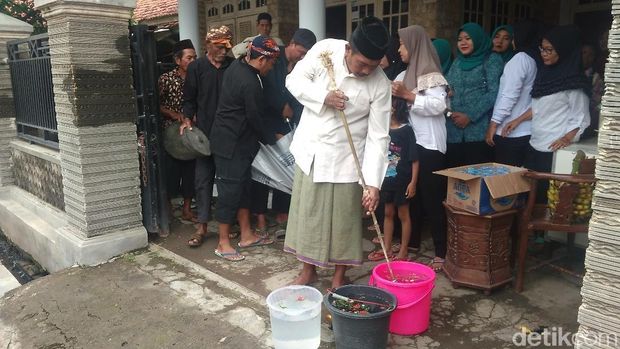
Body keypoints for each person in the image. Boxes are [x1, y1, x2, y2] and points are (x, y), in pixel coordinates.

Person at [284, 16, 391, 288]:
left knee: (345, 224)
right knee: (309, 216)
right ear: (348, 50)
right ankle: (308, 270)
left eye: (373, 66)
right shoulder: (326, 51)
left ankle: (339, 277)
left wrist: (373, 184)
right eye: (361, 64)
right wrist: (324, 97)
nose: (366, 71)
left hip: (347, 159)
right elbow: (293, 80)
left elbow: (379, 136)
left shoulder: (380, 84)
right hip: (313, 151)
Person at [209, 36, 280, 261]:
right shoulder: (249, 82)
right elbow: (254, 117)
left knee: (243, 188)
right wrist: (272, 138)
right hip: (230, 143)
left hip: (240, 142)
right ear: (261, 60)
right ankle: (223, 242)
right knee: (229, 192)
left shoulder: (237, 67)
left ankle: (247, 234)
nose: (272, 66)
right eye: (271, 62)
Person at [392, 24, 450, 271]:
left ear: (415, 45)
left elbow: (439, 106)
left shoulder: (433, 77)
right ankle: (411, 244)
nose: (399, 49)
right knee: (409, 196)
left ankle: (441, 251)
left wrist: (409, 96)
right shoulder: (401, 77)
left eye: (403, 44)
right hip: (409, 145)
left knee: (431, 198)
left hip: (430, 145)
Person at [251, 28, 317, 238]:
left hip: (287, 124)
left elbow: (299, 96)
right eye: (302, 51)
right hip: (266, 122)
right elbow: (265, 89)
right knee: (263, 171)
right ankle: (259, 213)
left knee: (285, 166)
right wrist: (281, 107)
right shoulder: (273, 57)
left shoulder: (300, 66)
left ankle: (282, 210)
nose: (303, 56)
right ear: (293, 43)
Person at [519, 25, 590, 200]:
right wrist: (517, 120)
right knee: (527, 197)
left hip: (553, 151)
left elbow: (580, 118)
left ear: (563, 50)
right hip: (534, 143)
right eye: (542, 49)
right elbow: (539, 108)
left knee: (545, 199)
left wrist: (566, 138)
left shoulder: (574, 84)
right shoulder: (545, 75)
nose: (544, 53)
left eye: (549, 50)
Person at [181, 26, 235, 247]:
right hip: (204, 135)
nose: (224, 51)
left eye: (226, 47)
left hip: (228, 134)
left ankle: (226, 225)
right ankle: (202, 226)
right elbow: (189, 99)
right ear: (208, 45)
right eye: (220, 47)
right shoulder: (196, 67)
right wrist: (186, 119)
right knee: (203, 181)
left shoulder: (233, 66)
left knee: (227, 182)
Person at [445, 22, 504, 168]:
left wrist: (470, 116)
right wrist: (450, 111)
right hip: (454, 132)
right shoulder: (457, 62)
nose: (463, 43)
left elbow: (494, 93)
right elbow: (448, 88)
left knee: (477, 179)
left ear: (477, 39)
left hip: (478, 132)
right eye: (460, 40)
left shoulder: (492, 60)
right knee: (456, 182)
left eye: (467, 38)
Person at [367, 97, 418, 262]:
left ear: (396, 108)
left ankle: (403, 251)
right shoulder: (382, 130)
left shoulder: (406, 131)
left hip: (402, 181)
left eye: (389, 105)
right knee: (387, 213)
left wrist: (413, 183)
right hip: (386, 181)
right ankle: (387, 248)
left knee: (403, 214)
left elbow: (415, 159)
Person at [486, 20, 541, 166]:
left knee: (505, 182)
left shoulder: (520, 59)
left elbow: (509, 95)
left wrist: (493, 124)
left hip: (509, 131)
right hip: (526, 129)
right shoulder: (536, 59)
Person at [158, 39, 198, 223]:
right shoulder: (166, 79)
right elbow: (157, 105)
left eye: (195, 57)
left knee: (191, 171)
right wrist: (174, 115)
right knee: (171, 172)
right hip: (171, 133)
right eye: (189, 58)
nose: (193, 61)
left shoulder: (198, 78)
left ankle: (187, 209)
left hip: (191, 133)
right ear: (178, 60)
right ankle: (167, 208)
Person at [581, 43, 603, 138]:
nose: (586, 57)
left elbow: (596, 103)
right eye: (584, 53)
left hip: (588, 121)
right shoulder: (569, 73)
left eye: (591, 54)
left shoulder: (595, 77)